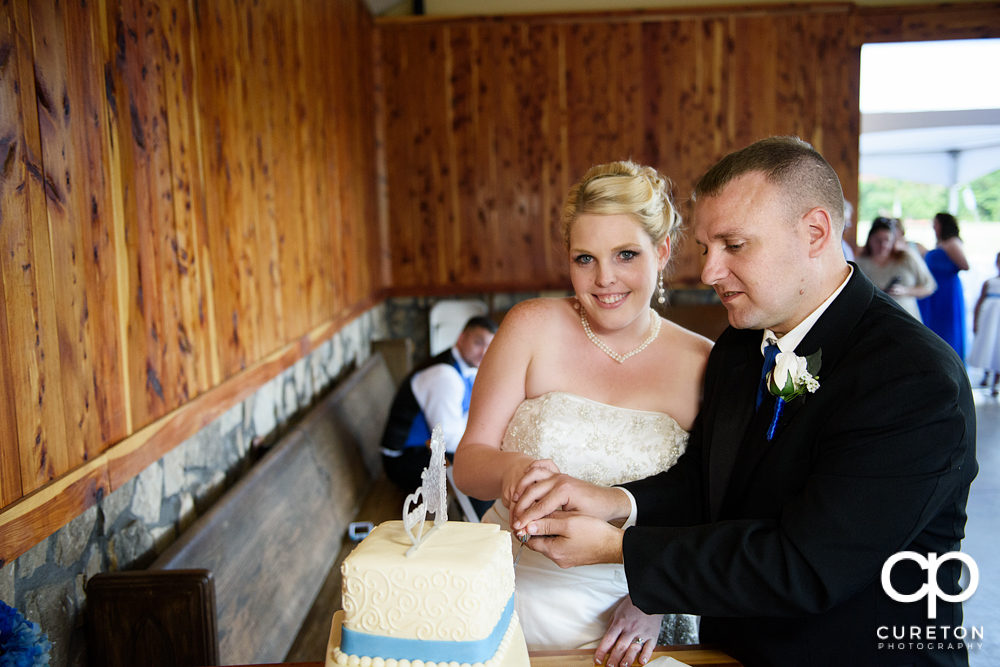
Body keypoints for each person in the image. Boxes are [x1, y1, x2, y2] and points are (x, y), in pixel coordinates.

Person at [509, 137, 977, 667]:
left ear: (816, 233)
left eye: (734, 245)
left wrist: (618, 550)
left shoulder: (912, 379)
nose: (708, 272)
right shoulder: (741, 345)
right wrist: (616, 502)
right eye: (707, 248)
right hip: (727, 653)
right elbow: (706, 484)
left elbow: (803, 566)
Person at [453, 161, 712, 663]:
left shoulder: (704, 363)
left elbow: (706, 506)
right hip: (513, 587)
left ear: (661, 253)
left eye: (626, 255)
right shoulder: (530, 326)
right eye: (585, 258)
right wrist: (514, 468)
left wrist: (654, 596)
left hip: (632, 612)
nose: (604, 279)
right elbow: (468, 463)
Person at [381, 315, 497, 513]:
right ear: (461, 339)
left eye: (489, 346)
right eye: (478, 343)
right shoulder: (445, 376)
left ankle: (480, 522)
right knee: (481, 471)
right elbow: (449, 441)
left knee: (486, 459)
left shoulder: (465, 367)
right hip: (403, 460)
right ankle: (480, 527)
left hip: (425, 449)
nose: (484, 352)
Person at [855, 216, 935, 321]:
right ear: (870, 239)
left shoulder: (906, 258)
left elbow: (929, 286)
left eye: (887, 240)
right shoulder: (860, 263)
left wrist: (905, 291)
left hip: (905, 318)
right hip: (874, 319)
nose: (883, 245)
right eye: (878, 241)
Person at [918, 212, 970, 359]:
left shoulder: (952, 243)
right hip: (935, 291)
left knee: (948, 327)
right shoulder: (941, 243)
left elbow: (965, 266)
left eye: (936, 224)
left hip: (947, 290)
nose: (934, 227)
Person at [969, 252, 1000, 396]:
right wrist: (976, 321)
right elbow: (979, 301)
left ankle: (996, 381)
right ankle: (986, 375)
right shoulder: (989, 282)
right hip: (989, 319)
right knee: (988, 344)